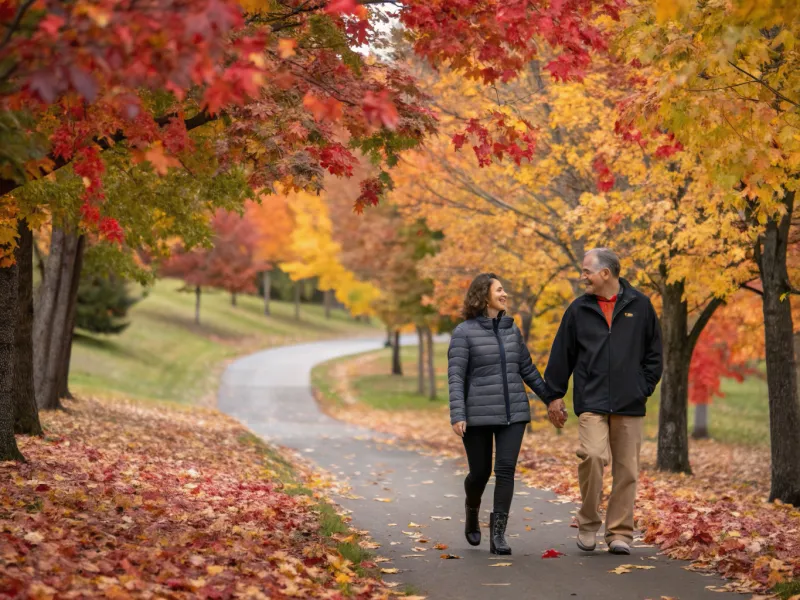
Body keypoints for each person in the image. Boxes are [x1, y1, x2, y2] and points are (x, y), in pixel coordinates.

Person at [544, 248, 662, 555]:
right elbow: (562, 354)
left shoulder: (641, 305)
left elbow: (654, 355)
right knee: (593, 456)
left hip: (629, 402)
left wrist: (642, 388)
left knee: (627, 470)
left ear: (605, 274)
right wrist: (554, 395)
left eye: (587, 271)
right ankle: (588, 523)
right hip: (592, 400)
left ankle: (620, 533)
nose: (582, 276)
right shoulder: (578, 310)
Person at [448, 273, 556, 555]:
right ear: (483, 294)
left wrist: (550, 400)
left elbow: (527, 369)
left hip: (513, 413)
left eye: (504, 289)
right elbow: (456, 377)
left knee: (505, 470)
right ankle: (472, 509)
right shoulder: (464, 332)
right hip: (478, 414)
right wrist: (458, 414)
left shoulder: (512, 329)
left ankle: (499, 535)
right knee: (480, 473)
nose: (504, 294)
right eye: (499, 290)